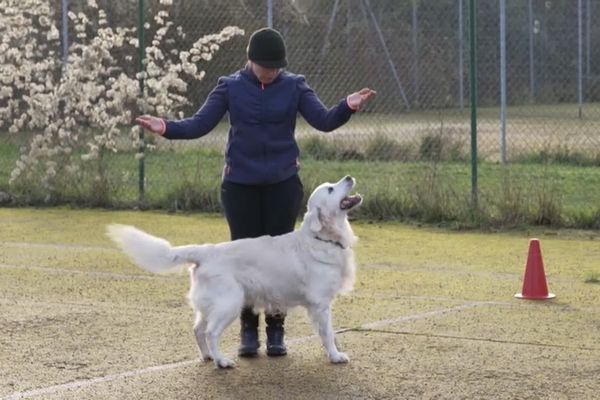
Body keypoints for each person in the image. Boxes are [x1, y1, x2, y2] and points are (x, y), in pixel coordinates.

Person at [135, 27, 376, 358]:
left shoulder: (294, 85)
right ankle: (249, 333)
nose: (273, 71)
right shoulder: (230, 87)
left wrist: (347, 106)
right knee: (246, 259)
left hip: (282, 185)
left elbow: (323, 120)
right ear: (251, 61)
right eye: (267, 66)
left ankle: (276, 332)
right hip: (240, 187)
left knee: (280, 263)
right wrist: (167, 127)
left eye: (278, 66)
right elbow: (200, 123)